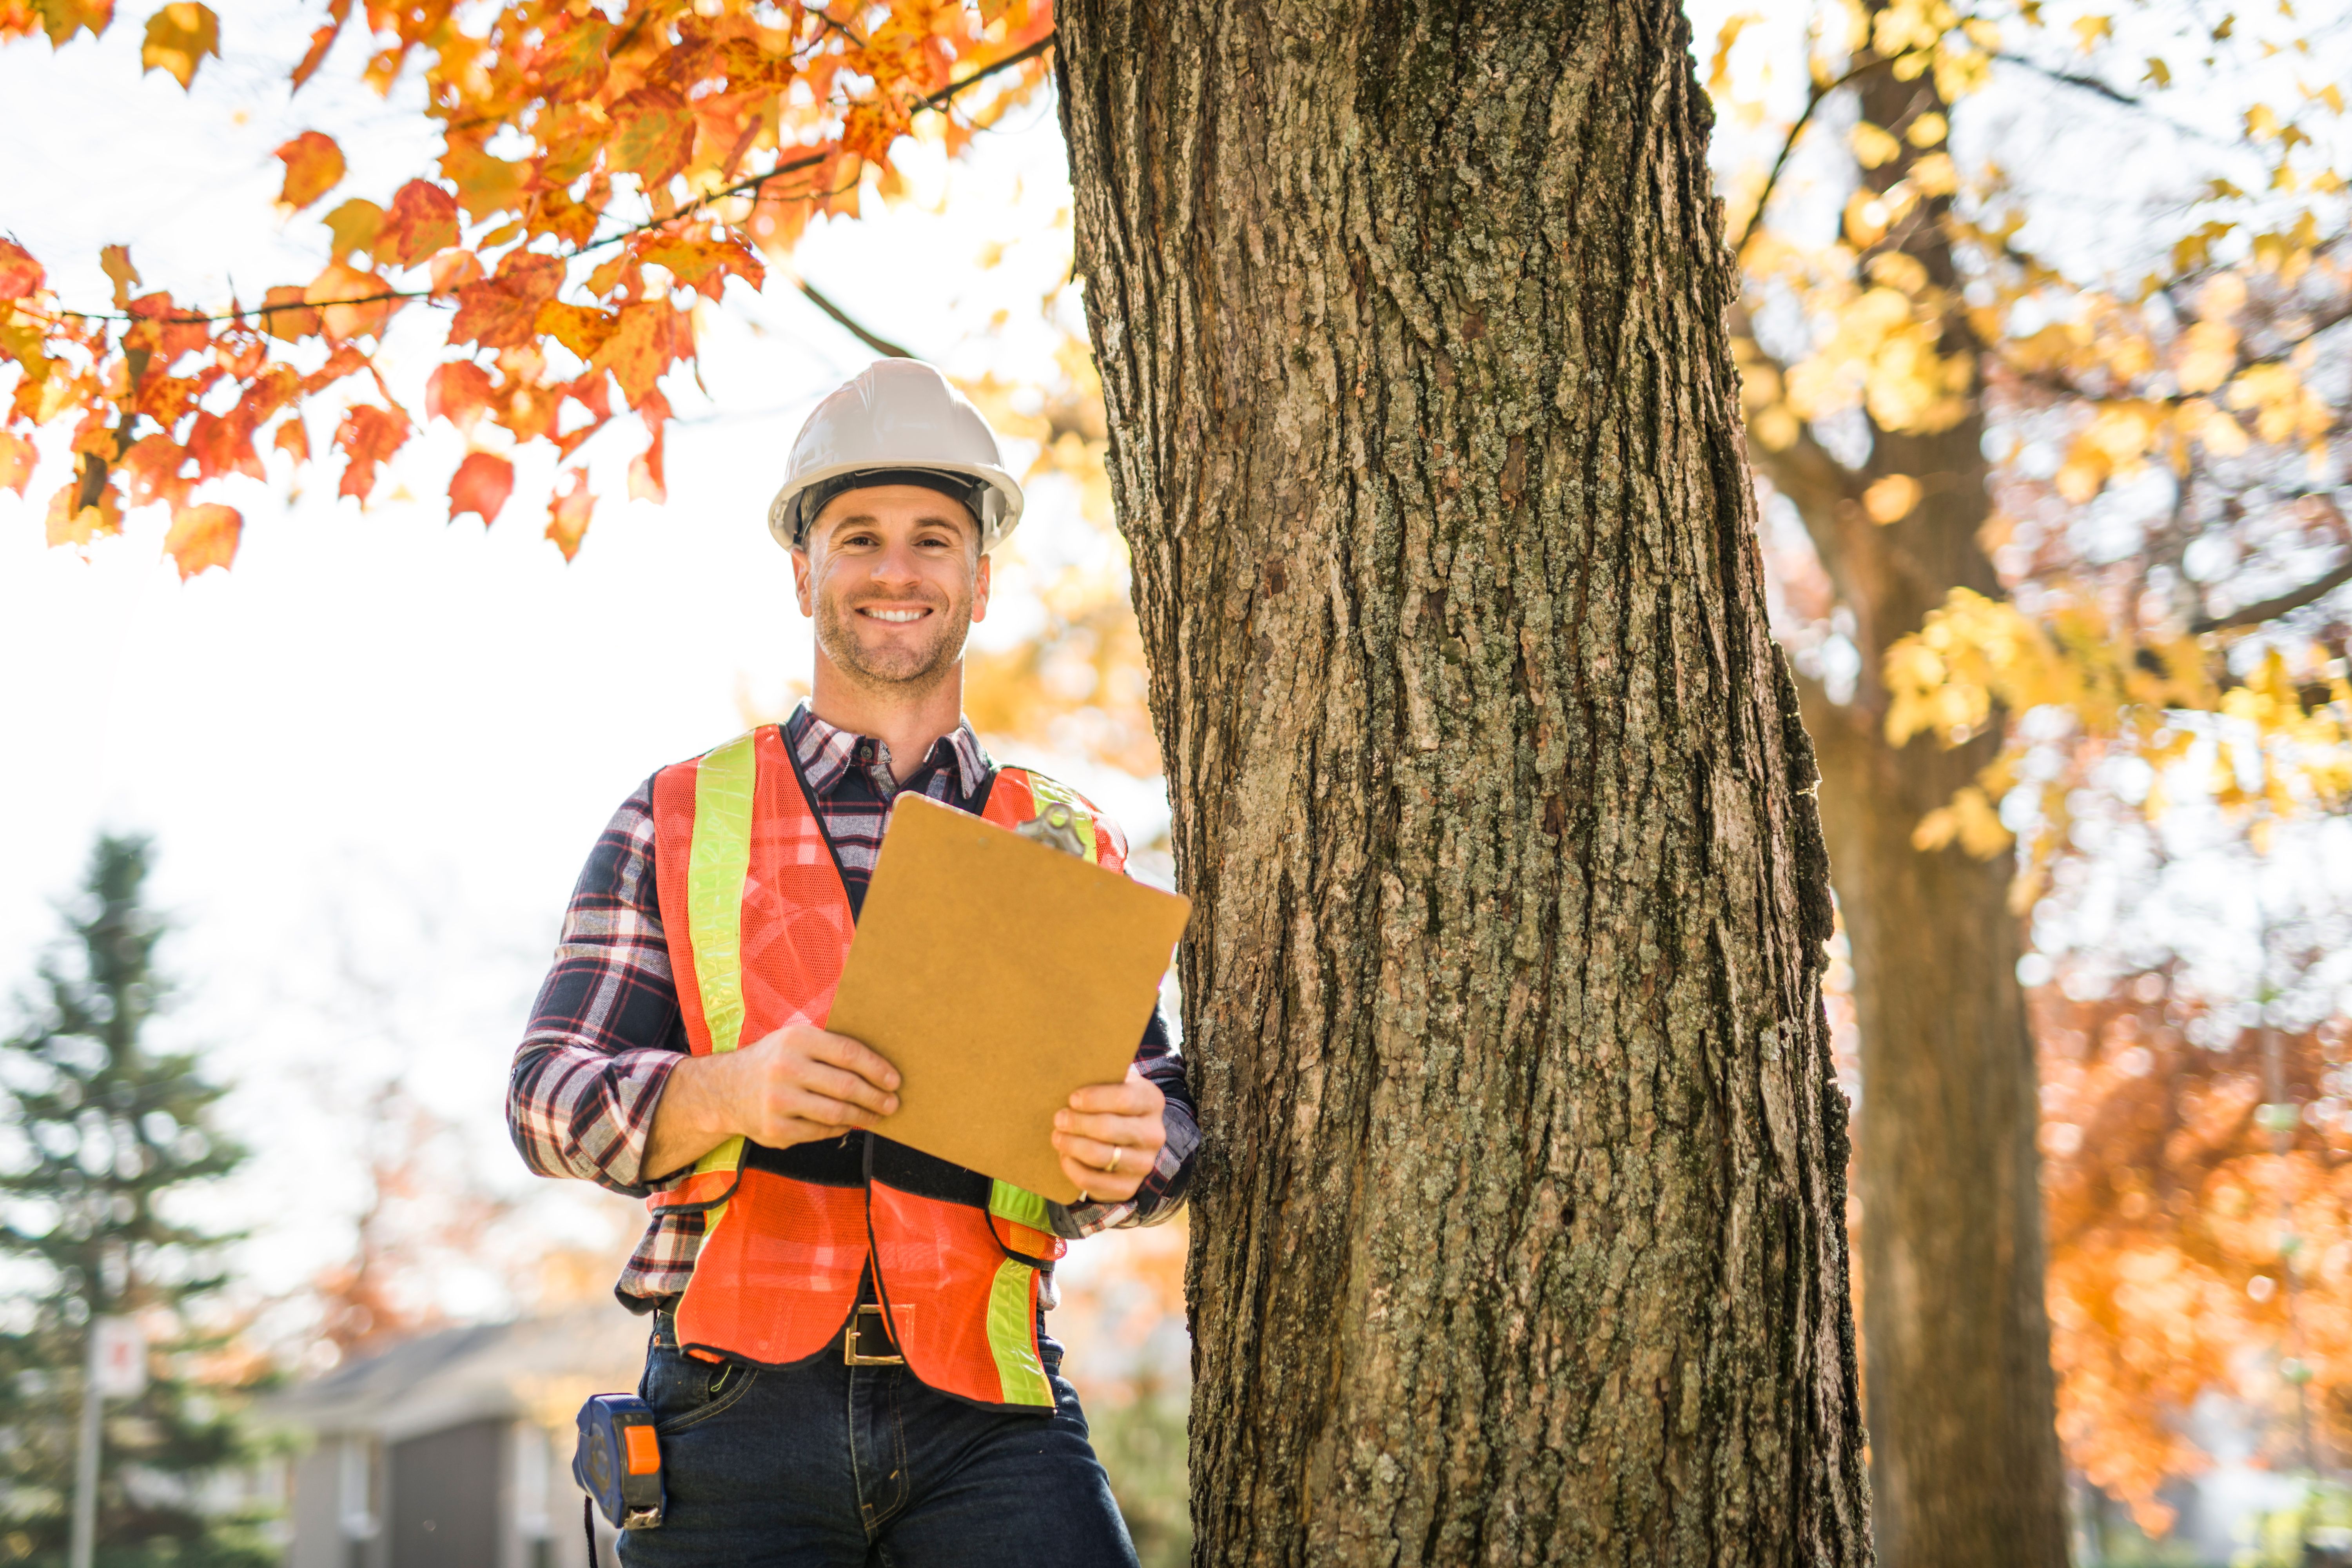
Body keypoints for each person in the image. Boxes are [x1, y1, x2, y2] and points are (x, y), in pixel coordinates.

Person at [507, 359, 1198, 1566]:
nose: (896, 569)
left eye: (935, 539)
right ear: (803, 573)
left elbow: (1152, 1113)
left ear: (980, 583)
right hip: (730, 1414)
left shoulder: (1071, 835)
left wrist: (1140, 1148)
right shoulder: (676, 817)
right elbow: (544, 1103)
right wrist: (728, 1093)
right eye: (859, 536)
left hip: (994, 1416)